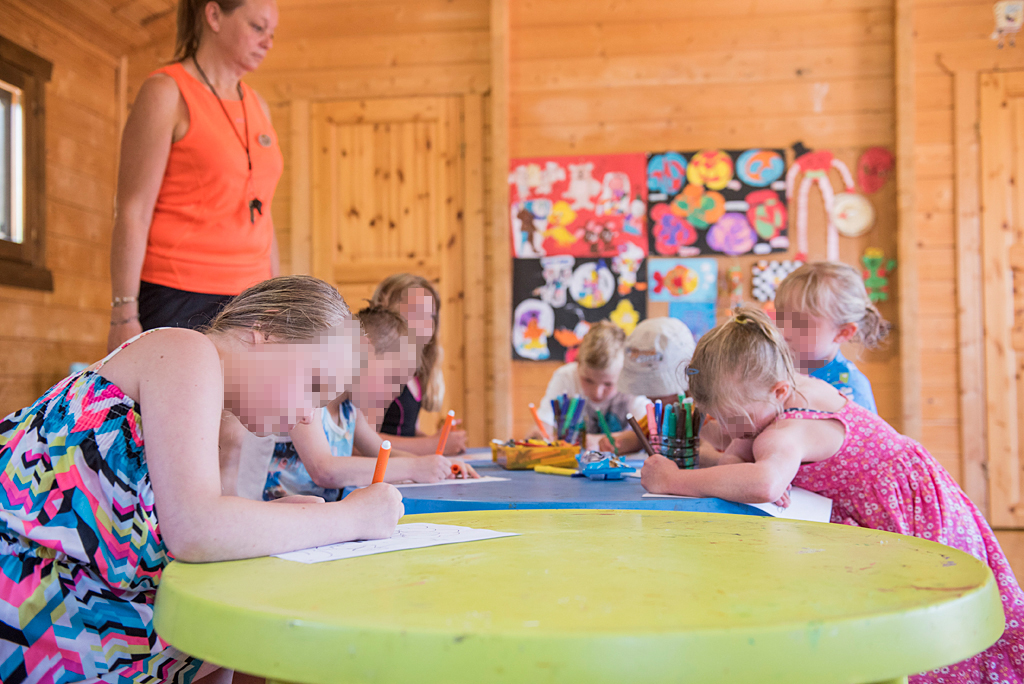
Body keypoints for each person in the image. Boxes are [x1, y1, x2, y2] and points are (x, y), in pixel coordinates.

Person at [0, 276, 404, 682]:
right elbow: (195, 527)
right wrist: (351, 517)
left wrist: (271, 521)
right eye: (312, 386)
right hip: (27, 595)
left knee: (243, 627)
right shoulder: (186, 351)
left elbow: (188, 529)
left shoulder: (205, 396)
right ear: (267, 328)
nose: (305, 415)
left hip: (62, 600)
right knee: (264, 629)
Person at [640, 306, 1024, 682]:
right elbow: (741, 457)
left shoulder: (786, 432)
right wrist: (743, 459)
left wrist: (674, 480)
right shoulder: (791, 389)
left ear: (778, 391)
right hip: (907, 489)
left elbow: (765, 483)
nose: (724, 430)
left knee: (922, 616)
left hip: (907, 512)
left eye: (731, 418)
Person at [108, 0, 283, 352]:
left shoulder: (258, 105)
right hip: (177, 295)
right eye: (257, 27)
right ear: (214, 16)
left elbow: (263, 213)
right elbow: (132, 211)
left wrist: (277, 297)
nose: (268, 42)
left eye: (272, 33)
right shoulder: (166, 92)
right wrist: (123, 314)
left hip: (250, 300)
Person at [258, 305, 476, 501]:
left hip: (320, 515)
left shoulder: (349, 410)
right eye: (392, 377)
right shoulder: (307, 395)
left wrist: (439, 466)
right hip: (282, 517)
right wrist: (413, 467)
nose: (394, 393)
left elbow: (382, 453)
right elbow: (324, 470)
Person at [370, 274, 466, 455]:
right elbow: (358, 441)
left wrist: (440, 441)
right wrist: (433, 445)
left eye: (430, 316)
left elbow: (406, 431)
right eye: (416, 313)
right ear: (386, 313)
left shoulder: (413, 371)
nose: (425, 323)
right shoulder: (376, 369)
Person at [775, 261, 889, 413]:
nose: (784, 332)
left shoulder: (849, 392)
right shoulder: (779, 367)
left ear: (843, 332)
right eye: (782, 318)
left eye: (802, 324)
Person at [531, 321, 649, 444]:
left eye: (608, 384)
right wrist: (541, 435)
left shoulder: (632, 381)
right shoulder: (566, 377)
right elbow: (544, 422)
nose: (597, 392)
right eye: (588, 380)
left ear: (624, 371)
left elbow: (647, 432)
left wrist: (597, 442)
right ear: (578, 363)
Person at [596, 317, 695, 454]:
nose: (649, 396)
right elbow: (642, 436)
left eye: (657, 389)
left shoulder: (705, 412)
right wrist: (620, 443)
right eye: (646, 387)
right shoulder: (664, 410)